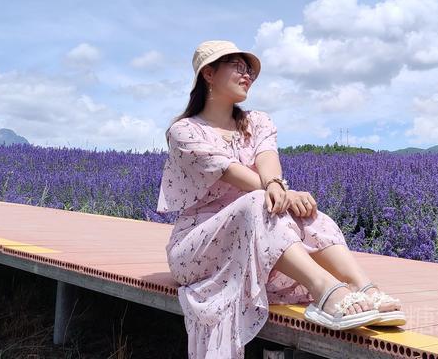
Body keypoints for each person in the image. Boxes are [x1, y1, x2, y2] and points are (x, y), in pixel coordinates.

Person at [156, 40, 405, 359]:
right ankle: (325, 289)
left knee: (309, 213)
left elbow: (267, 160)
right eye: (238, 66)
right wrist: (278, 192)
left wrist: (278, 186)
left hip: (256, 230)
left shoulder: (257, 121)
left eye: (249, 70)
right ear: (208, 73)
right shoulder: (185, 131)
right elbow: (234, 174)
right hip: (199, 247)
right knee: (261, 200)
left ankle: (362, 285)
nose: (247, 75)